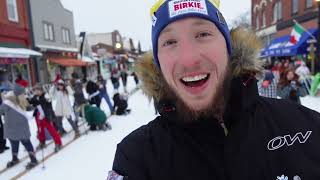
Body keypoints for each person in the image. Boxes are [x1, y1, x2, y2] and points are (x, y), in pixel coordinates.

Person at [109, 0, 320, 179]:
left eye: (202, 34)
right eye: (170, 41)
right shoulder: (136, 158)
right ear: (158, 65)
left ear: (229, 49)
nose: (189, 59)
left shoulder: (308, 128)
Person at [0, 84, 38, 169]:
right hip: (18, 127)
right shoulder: (17, 100)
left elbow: (1, 111)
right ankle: (30, 159)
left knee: (17, 142)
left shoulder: (8, 102)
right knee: (23, 143)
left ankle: (22, 159)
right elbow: (29, 109)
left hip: (14, 127)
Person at [28, 84, 62, 152]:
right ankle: (42, 142)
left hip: (46, 115)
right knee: (40, 130)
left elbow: (48, 106)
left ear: (41, 90)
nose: (36, 92)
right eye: (35, 91)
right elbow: (31, 102)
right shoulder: (36, 97)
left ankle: (58, 143)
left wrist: (45, 114)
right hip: (38, 115)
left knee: (51, 130)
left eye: (38, 90)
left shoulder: (45, 96)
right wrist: (27, 99)